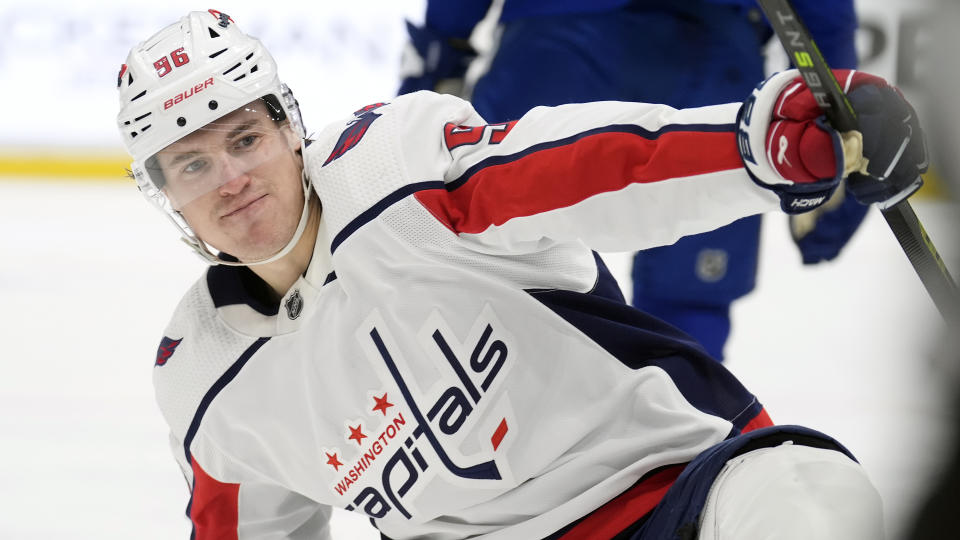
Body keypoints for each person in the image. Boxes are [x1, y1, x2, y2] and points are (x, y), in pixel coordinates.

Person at [117, 10, 927, 539]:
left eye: (245, 140)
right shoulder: (206, 379)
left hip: (671, 490)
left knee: (814, 502)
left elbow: (592, 171)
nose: (229, 179)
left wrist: (757, 147)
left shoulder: (399, 173)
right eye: (191, 165)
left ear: (290, 129)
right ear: (166, 200)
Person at [398, 0, 869, 362]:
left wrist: (439, 55)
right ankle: (678, 463)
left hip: (553, 47)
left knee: (499, 279)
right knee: (687, 303)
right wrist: (839, 99)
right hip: (704, 52)